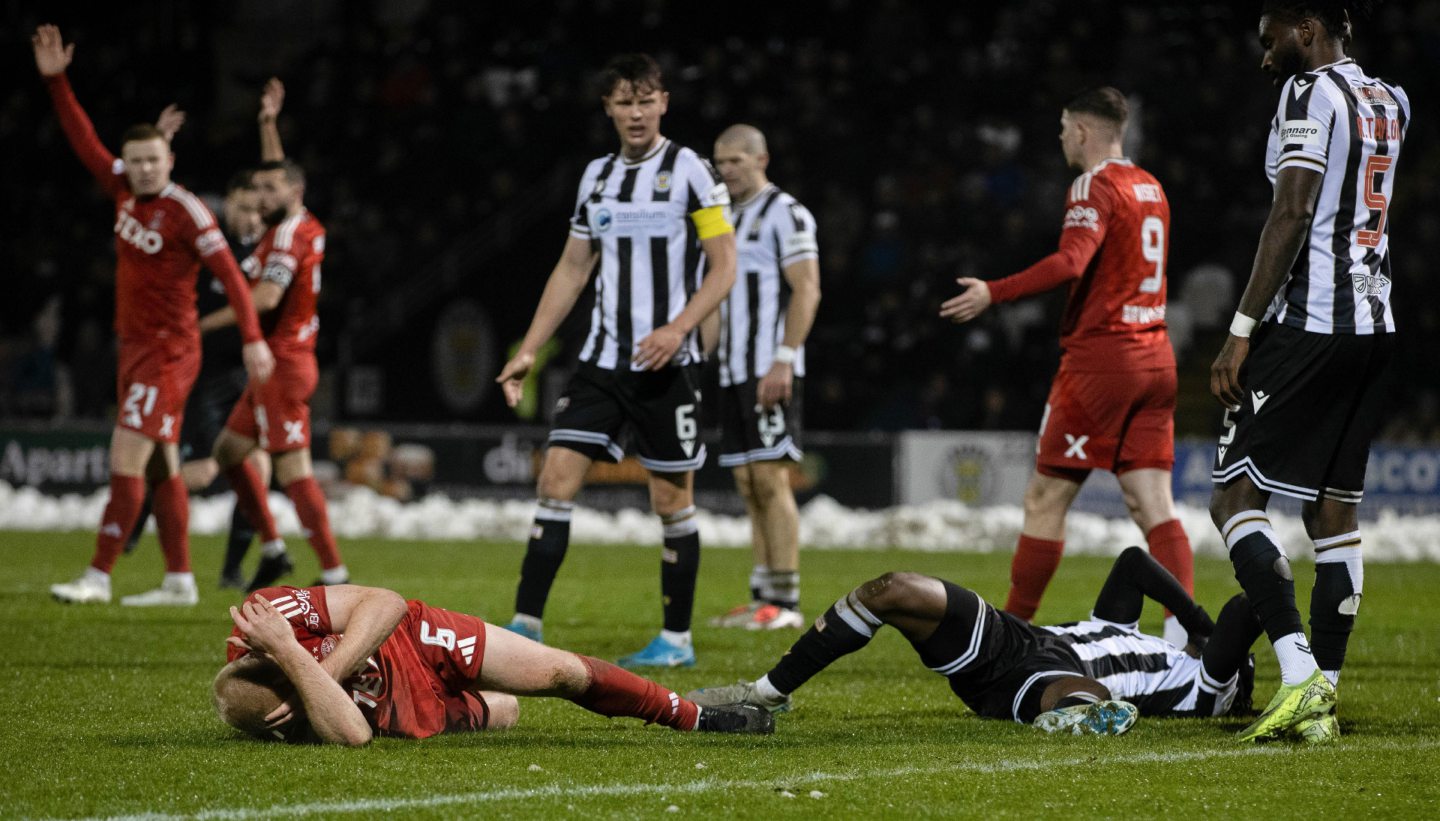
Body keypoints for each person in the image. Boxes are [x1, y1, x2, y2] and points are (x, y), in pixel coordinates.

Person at [494, 53, 737, 668]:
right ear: (608, 108)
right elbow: (573, 269)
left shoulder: (691, 172)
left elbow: (724, 264)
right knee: (554, 482)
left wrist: (678, 328)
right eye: (624, 101)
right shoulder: (596, 177)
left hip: (668, 366)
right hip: (601, 363)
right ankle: (524, 625)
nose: (636, 112)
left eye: (646, 99)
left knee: (670, 503)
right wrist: (528, 349)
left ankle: (676, 641)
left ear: (664, 103)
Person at [1208, 0, 1405, 744]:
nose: (1265, 57)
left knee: (1233, 499)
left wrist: (1239, 333)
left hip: (1315, 324)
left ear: (1308, 32)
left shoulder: (1308, 93)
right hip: (1378, 325)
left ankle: (1295, 676)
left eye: (1271, 41)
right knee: (1332, 514)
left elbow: (1291, 214)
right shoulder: (1393, 100)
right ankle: (1324, 691)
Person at [940, 87, 1194, 646]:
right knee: (1151, 503)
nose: (1058, 138)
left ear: (1081, 131)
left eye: (1062, 127)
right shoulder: (1150, 186)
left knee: (1045, 498)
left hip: (1103, 361)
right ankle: (1186, 642)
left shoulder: (1093, 184)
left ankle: (1007, 640)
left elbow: (1071, 261)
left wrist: (994, 291)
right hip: (1156, 355)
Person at [36, 24, 274, 607]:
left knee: (126, 455)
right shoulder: (123, 190)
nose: (142, 169)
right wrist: (57, 81)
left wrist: (251, 339)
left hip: (169, 350)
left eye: (153, 160)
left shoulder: (188, 211)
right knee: (166, 464)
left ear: (170, 159)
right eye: (135, 160)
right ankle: (179, 580)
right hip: (136, 345)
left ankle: (97, 574)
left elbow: (233, 282)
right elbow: (83, 139)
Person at [689, 547, 1266, 738]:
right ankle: (767, 692)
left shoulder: (1206, 691)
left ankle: (1082, 716)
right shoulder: (1139, 635)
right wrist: (1195, 621)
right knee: (891, 589)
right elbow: (1134, 563)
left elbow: (1248, 608)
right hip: (1019, 642)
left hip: (1041, 679)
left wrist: (1289, 663)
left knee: (1081, 691)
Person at [216, 583, 773, 744]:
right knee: (505, 712)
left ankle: (693, 714)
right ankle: (477, 704)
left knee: (560, 672)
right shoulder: (278, 702)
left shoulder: (268, 613)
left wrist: (316, 668)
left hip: (415, 638)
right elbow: (356, 735)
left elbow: (384, 603)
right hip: (408, 712)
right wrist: (293, 654)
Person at [207, 78, 349, 591]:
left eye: (270, 191)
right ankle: (273, 549)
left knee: (293, 469)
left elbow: (265, 299)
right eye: (258, 189)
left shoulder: (287, 236)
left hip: (284, 363)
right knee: (227, 451)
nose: (260, 197)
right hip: (284, 360)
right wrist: (268, 124)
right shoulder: (299, 218)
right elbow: (279, 176)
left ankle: (334, 572)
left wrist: (198, 326)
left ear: (294, 194)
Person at [125, 155, 272, 592]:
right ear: (227, 205)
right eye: (244, 208)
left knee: (258, 469)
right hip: (200, 375)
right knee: (206, 470)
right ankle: (142, 510)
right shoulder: (205, 246)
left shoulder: (267, 253)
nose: (251, 218)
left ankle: (231, 570)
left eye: (258, 211)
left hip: (245, 377)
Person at [706, 124, 821, 631]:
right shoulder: (722, 217)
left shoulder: (787, 213)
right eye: (720, 162)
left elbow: (807, 289)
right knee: (748, 481)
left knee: (772, 479)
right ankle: (762, 597)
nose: (726, 170)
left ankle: (788, 601)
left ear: (762, 159)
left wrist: (783, 358)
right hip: (731, 367)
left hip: (767, 367)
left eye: (735, 161)